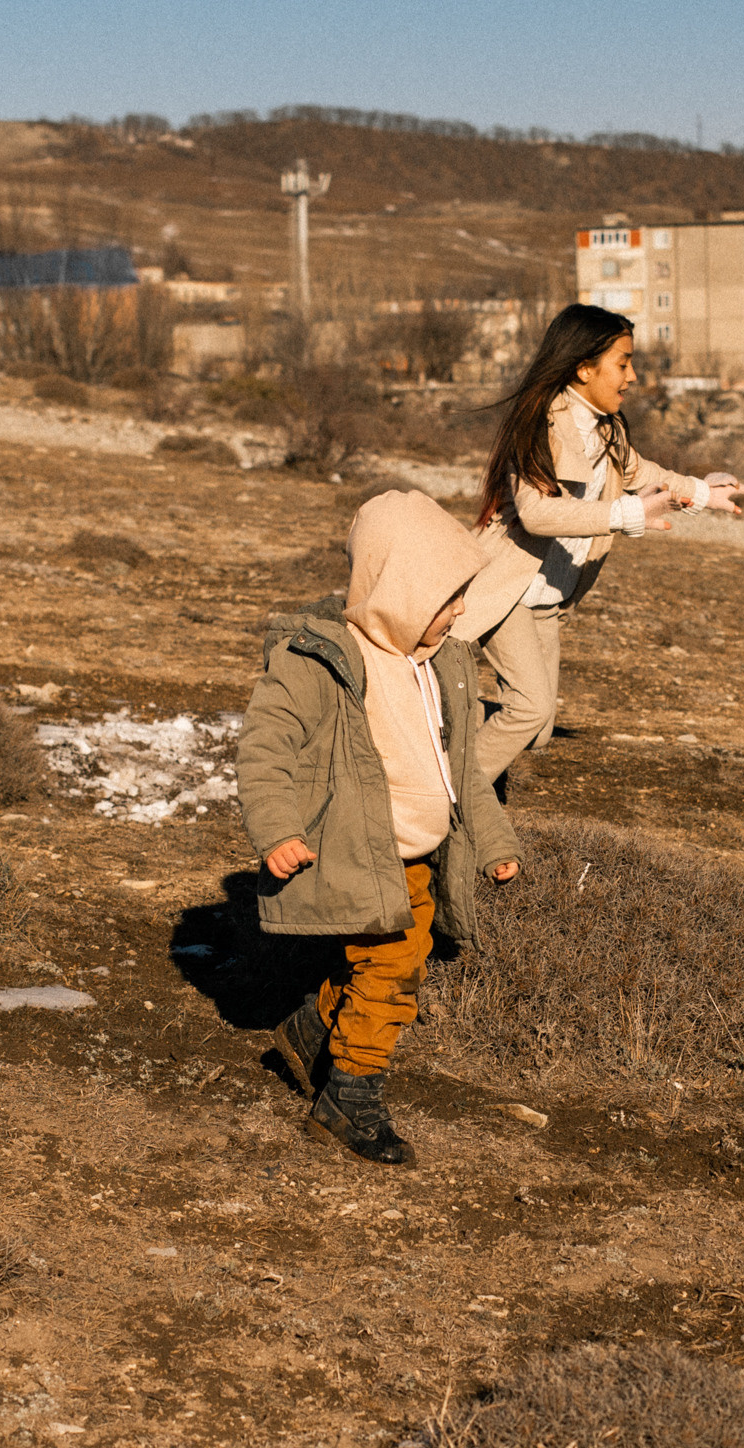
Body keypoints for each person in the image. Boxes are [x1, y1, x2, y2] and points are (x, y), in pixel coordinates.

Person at [238, 490, 522, 1165]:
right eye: (448, 597)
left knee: (399, 961)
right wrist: (277, 829)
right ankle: (350, 1096)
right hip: (353, 854)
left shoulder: (446, 664)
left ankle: (312, 1029)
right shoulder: (324, 661)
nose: (460, 612)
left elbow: (465, 771)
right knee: (392, 970)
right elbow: (265, 745)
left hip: (418, 860)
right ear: (400, 591)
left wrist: (496, 841)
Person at [456, 303, 744, 781]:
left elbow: (644, 474)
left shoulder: (606, 430)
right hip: (507, 587)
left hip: (547, 598)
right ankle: (444, 802)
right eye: (623, 362)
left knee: (537, 729)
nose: (632, 376)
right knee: (529, 709)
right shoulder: (541, 423)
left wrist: (703, 492)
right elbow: (536, 513)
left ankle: (444, 719)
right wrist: (626, 515)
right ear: (583, 367)